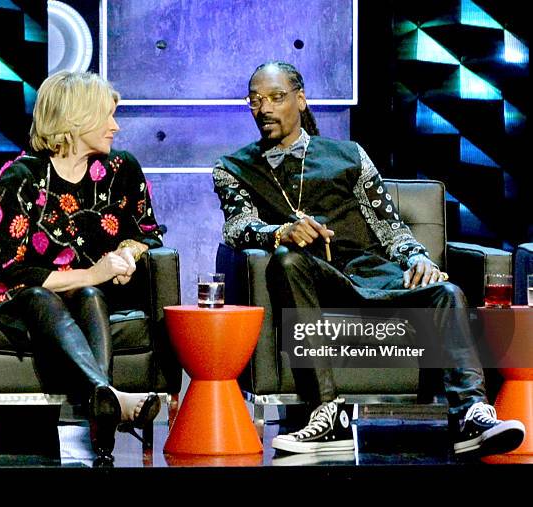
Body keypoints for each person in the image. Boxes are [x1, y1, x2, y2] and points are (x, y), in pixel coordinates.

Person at [213, 61, 526, 456]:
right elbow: (236, 227)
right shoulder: (233, 168)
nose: (265, 109)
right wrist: (280, 233)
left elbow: (389, 224)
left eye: (276, 98)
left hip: (374, 273)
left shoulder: (348, 155)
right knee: (286, 261)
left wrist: (417, 257)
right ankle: (327, 415)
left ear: (301, 100)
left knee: (445, 291)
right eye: (255, 101)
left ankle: (471, 415)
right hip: (314, 280)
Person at [0, 71, 163, 463]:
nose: (115, 126)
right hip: (20, 295)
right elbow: (8, 268)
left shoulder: (122, 169)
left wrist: (126, 255)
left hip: (91, 296)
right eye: (107, 115)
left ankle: (104, 403)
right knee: (45, 296)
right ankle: (108, 398)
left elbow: (149, 232)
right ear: (75, 119)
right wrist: (93, 272)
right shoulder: (23, 178)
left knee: (89, 294)